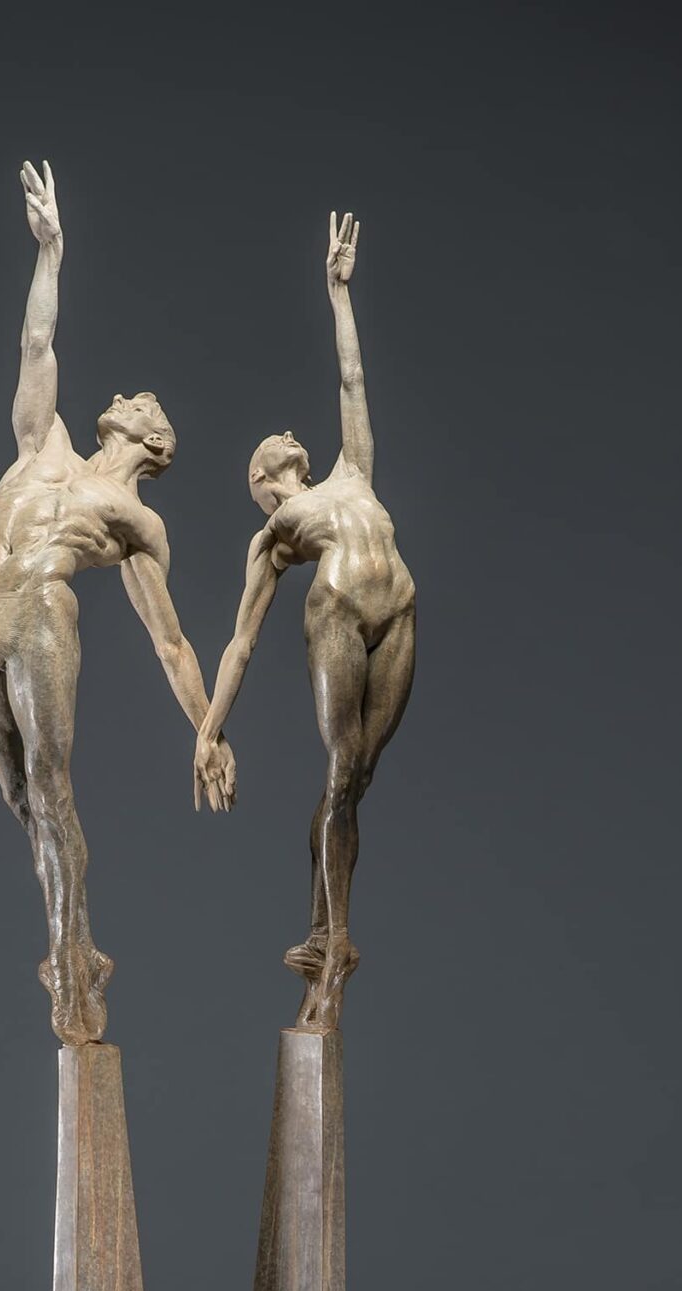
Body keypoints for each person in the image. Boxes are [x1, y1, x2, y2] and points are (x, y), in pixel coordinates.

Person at [0, 161, 236, 1044]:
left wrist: (207, 728)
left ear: (153, 442)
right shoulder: (45, 443)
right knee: (19, 796)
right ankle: (74, 940)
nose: (124, 396)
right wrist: (51, 251)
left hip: (41, 612)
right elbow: (37, 344)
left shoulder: (134, 521)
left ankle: (71, 964)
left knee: (50, 790)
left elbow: (171, 642)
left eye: (142, 403)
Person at [196, 213, 414, 1031]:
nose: (288, 437)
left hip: (398, 611)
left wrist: (338, 294)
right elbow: (240, 642)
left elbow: (352, 382)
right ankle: (335, 945)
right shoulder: (276, 534)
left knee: (353, 783)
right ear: (264, 482)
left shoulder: (353, 472)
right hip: (336, 615)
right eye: (271, 448)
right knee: (342, 769)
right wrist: (208, 730)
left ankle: (324, 928)